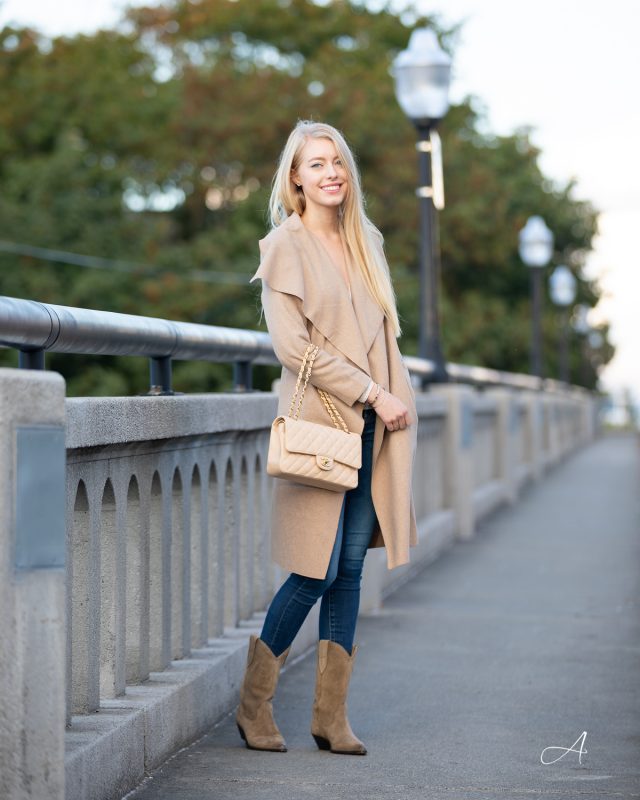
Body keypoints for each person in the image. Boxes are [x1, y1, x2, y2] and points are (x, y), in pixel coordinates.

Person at [237, 120, 417, 756]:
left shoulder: (365, 241)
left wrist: (395, 399)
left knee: (346, 570)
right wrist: (373, 393)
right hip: (325, 425)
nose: (330, 173)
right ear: (295, 178)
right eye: (315, 164)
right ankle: (254, 704)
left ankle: (330, 717)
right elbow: (293, 347)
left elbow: (383, 340)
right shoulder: (285, 244)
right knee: (313, 569)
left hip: (374, 430)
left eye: (337, 161)